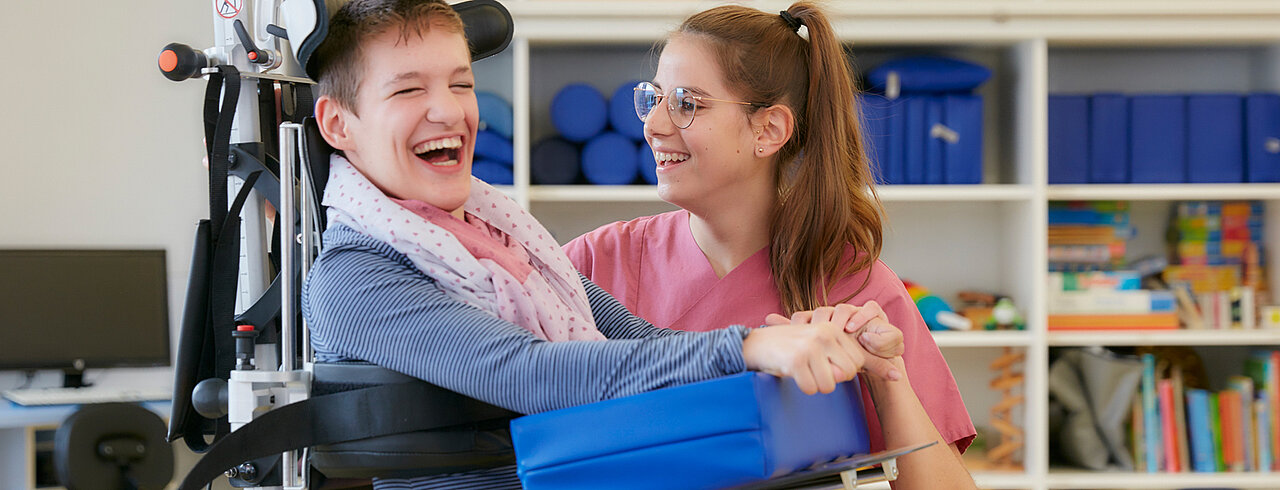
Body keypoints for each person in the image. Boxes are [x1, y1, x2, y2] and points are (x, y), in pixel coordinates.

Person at [301, 0, 904, 488]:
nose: (447, 109)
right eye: (408, 91)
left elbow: (647, 347)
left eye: (460, 83)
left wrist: (807, 346)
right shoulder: (354, 276)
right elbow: (533, 374)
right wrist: (750, 347)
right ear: (337, 125)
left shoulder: (508, 244)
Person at [562, 3, 978, 488]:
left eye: (686, 103)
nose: (653, 125)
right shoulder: (593, 263)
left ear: (769, 130)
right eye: (653, 98)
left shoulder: (853, 289)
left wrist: (887, 378)